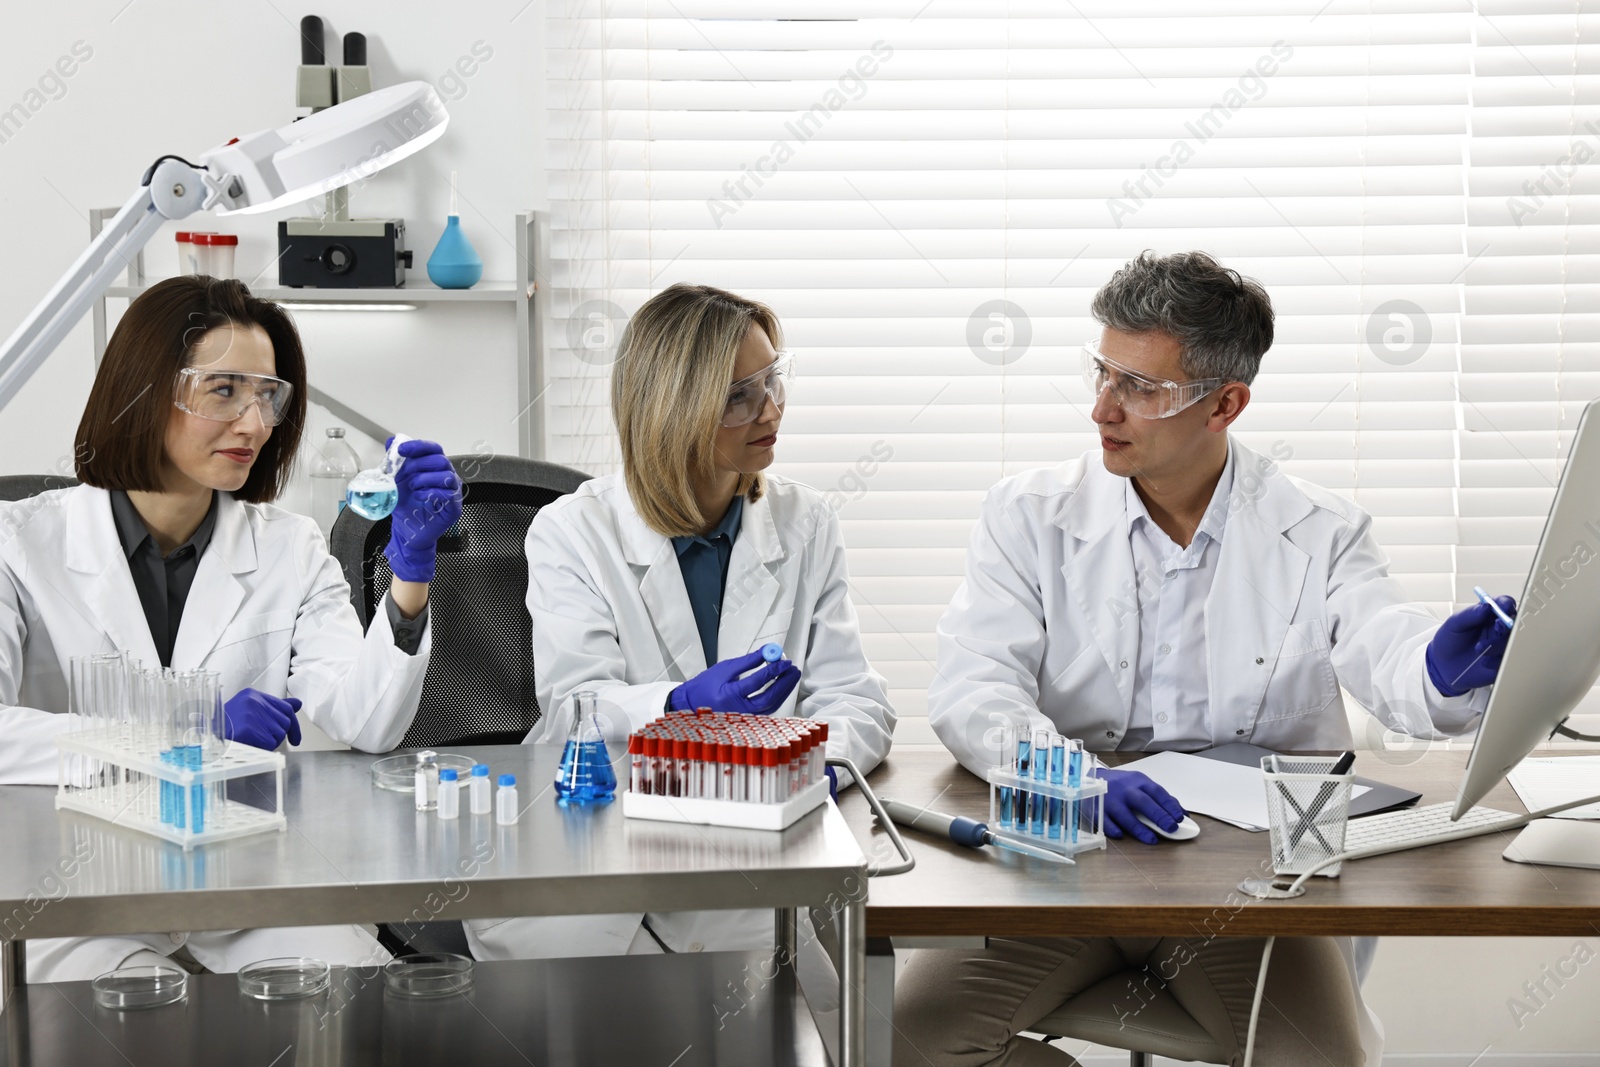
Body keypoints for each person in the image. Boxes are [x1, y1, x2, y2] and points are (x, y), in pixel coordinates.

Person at [898, 251, 1514, 1067]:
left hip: (1244, 891)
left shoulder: (1320, 530)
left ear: (1226, 403)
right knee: (911, 1041)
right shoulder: (1028, 514)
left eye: (1140, 388)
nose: (1101, 408)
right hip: (1066, 865)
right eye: (1103, 372)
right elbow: (974, 686)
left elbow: (1386, 647)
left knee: (1321, 1060)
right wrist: (1072, 774)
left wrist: (1439, 668)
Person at [0, 276, 463, 981]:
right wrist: (188, 731)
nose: (254, 424)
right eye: (224, 391)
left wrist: (411, 574)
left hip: (252, 884)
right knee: (130, 1018)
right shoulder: (18, 544)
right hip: (80, 892)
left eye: (268, 396)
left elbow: (366, 722)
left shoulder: (291, 546)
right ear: (145, 390)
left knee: (349, 1000)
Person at [468, 281, 894, 960]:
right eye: (738, 396)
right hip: (598, 850)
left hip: (748, 844)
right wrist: (676, 705)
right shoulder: (572, 531)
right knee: (596, 1022)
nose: (772, 409)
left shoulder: (806, 522)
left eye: (773, 380)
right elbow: (575, 700)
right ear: (674, 408)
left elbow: (855, 699)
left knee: (797, 1014)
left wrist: (813, 769)